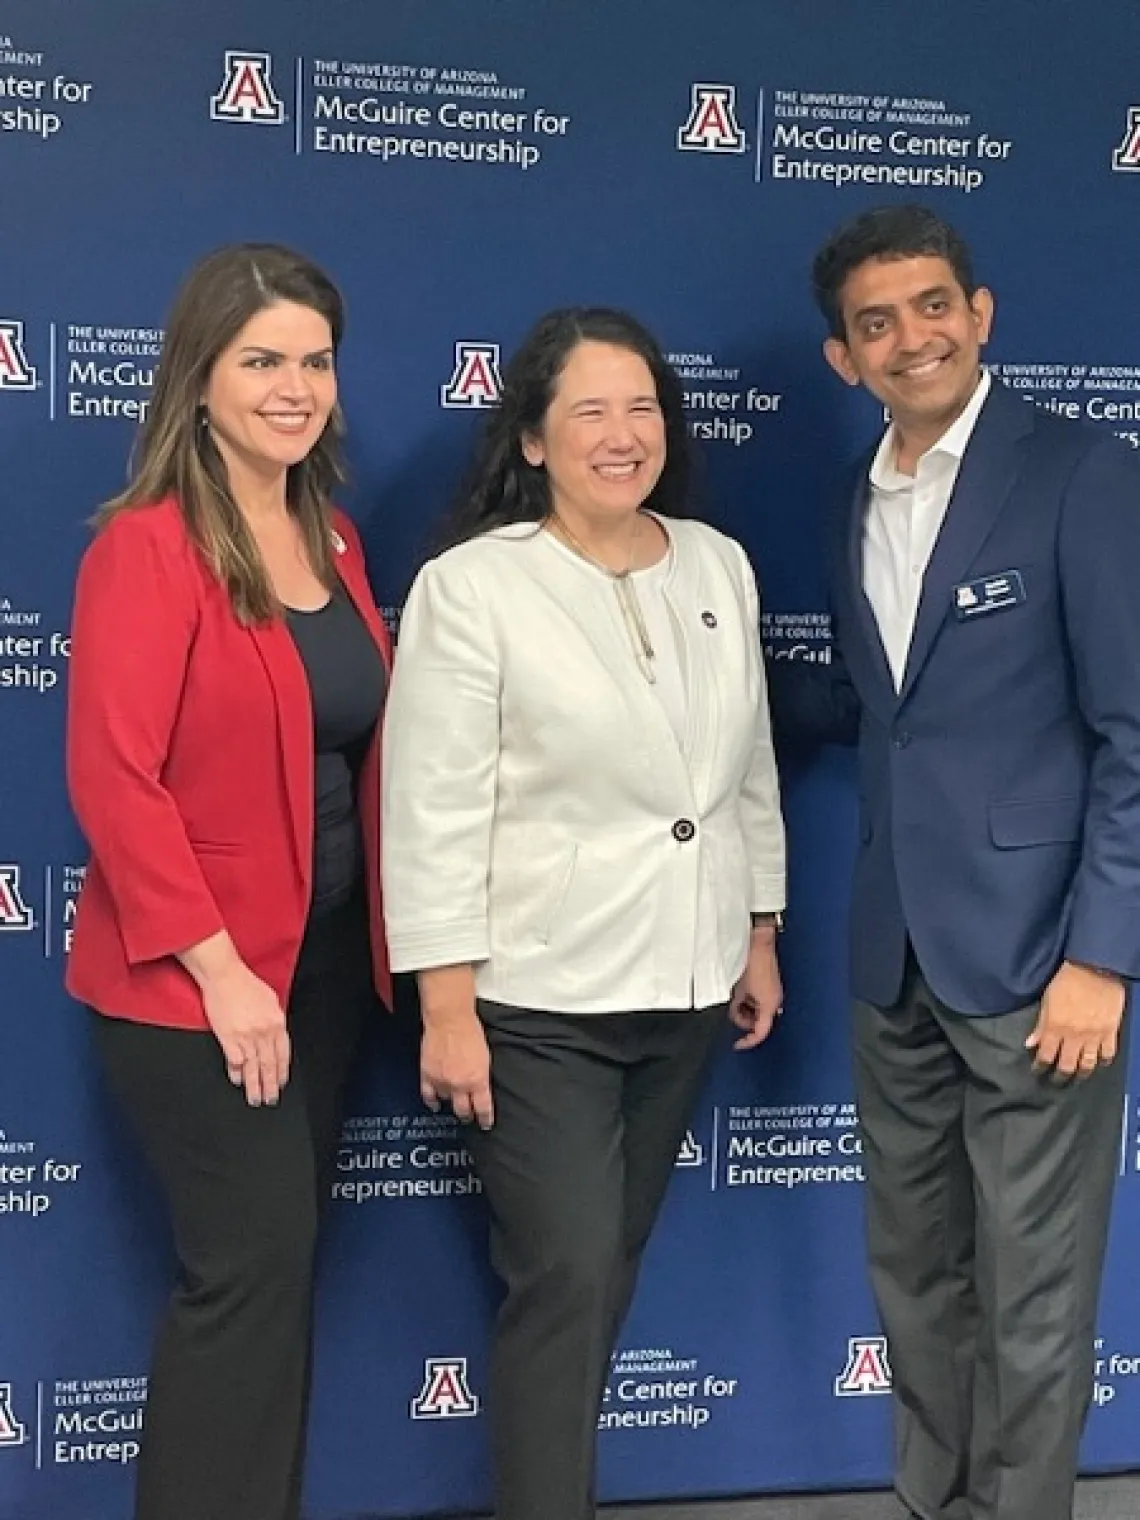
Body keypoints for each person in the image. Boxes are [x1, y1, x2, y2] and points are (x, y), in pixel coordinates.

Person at [381, 307, 785, 1520]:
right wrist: (445, 1002)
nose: (624, 434)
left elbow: (746, 760)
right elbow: (432, 803)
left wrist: (757, 926)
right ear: (537, 440)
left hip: (691, 982)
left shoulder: (718, 562)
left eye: (643, 406)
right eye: (591, 411)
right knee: (561, 1273)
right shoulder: (476, 585)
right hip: (538, 999)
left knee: (602, 1273)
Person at [780, 204, 1140, 1520]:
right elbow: (888, 707)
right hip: (895, 961)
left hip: (1043, 958)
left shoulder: (1081, 473)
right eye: (877, 322)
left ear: (979, 316)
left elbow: (1135, 732)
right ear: (845, 359)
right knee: (917, 1280)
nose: (910, 337)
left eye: (933, 306)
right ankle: (938, 1505)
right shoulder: (851, 502)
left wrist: (1105, 953)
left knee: (1036, 1295)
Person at [66, 243, 392, 1520]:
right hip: (196, 987)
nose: (294, 387)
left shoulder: (334, 535)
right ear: (200, 378)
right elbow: (114, 779)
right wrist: (222, 973)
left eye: (314, 361)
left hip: (320, 969)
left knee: (279, 1276)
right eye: (262, 361)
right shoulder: (147, 548)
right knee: (248, 1275)